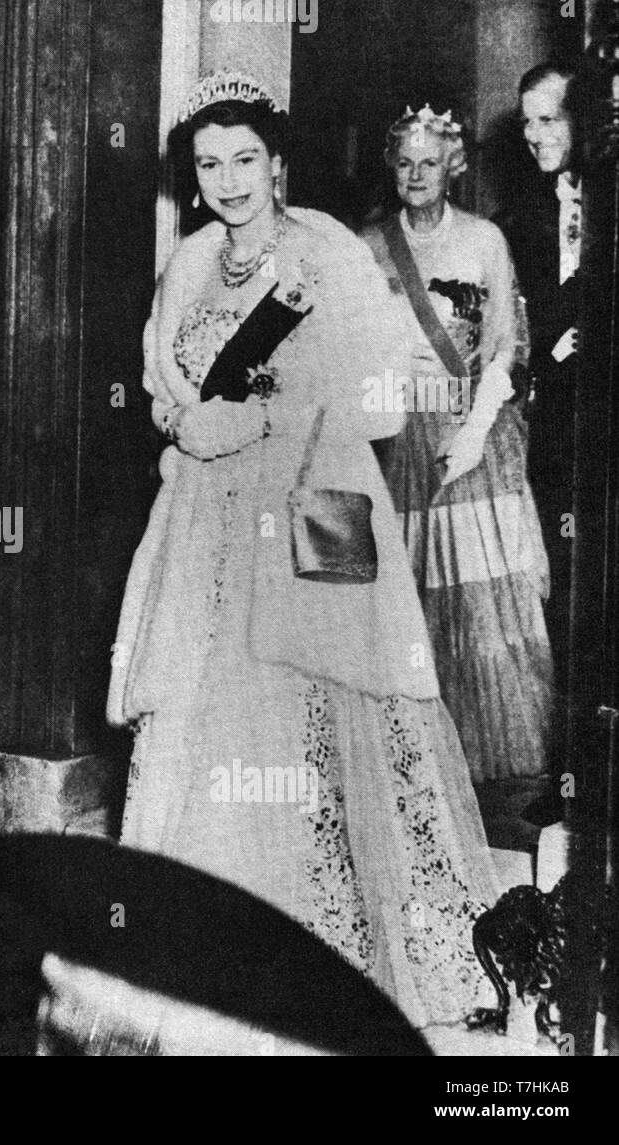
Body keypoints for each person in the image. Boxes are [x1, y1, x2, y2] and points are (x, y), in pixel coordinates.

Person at [107, 73, 500, 1031]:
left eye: (246, 160)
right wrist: (182, 417)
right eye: (209, 164)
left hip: (313, 504)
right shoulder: (192, 261)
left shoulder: (324, 252)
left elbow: (382, 399)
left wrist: (255, 417)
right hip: (206, 520)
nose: (229, 181)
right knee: (212, 715)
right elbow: (163, 374)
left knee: (328, 711)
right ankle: (209, 954)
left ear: (278, 165)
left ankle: (332, 953)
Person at [360, 105, 552, 784]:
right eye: (405, 161)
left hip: (471, 430)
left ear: (453, 168)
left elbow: (508, 343)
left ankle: (482, 768)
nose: (417, 174)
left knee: (474, 594)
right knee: (409, 594)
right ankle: (413, 758)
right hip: (395, 434)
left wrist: (474, 432)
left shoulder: (483, 242)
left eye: (430, 162)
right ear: (393, 165)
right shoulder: (367, 244)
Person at [500, 62, 583, 822]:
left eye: (548, 119)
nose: (533, 136)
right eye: (527, 122)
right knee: (568, 598)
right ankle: (572, 778)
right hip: (559, 433)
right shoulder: (526, 211)